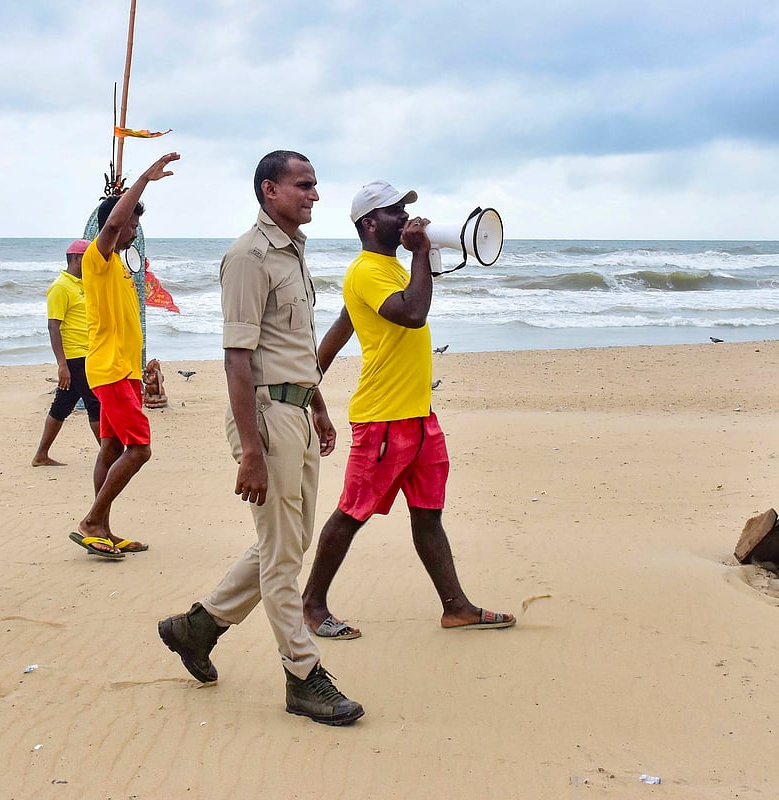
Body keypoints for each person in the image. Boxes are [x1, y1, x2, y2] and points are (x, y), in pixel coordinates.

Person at [158, 150, 363, 726]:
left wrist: (319, 408)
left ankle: (195, 628)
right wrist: (251, 451)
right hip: (266, 418)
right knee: (281, 559)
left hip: (295, 411)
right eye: (304, 185)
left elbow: (295, 347)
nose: (315, 194)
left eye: (316, 184)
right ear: (269, 190)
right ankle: (303, 677)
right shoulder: (248, 257)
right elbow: (237, 359)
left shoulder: (294, 253)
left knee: (289, 541)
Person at [300, 180, 515, 639]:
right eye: (396, 211)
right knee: (351, 512)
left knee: (427, 512)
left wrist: (310, 379)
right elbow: (412, 314)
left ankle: (455, 607)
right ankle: (311, 605)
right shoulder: (366, 270)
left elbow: (344, 324)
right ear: (370, 223)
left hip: (418, 416)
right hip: (383, 418)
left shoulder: (389, 270)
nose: (407, 218)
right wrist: (419, 253)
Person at [69, 153, 178, 559]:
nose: (133, 228)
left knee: (111, 448)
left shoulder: (119, 266)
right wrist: (144, 180)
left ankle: (104, 530)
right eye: (131, 222)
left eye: (136, 223)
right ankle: (92, 521)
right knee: (141, 448)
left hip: (123, 370)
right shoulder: (98, 261)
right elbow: (112, 223)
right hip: (111, 370)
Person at [32, 239, 101, 467]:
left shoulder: (83, 284)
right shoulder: (60, 287)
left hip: (88, 353)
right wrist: (62, 364)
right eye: (88, 260)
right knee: (95, 403)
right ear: (77, 259)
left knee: (62, 405)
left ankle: (41, 455)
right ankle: (110, 457)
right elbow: (53, 326)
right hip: (75, 356)